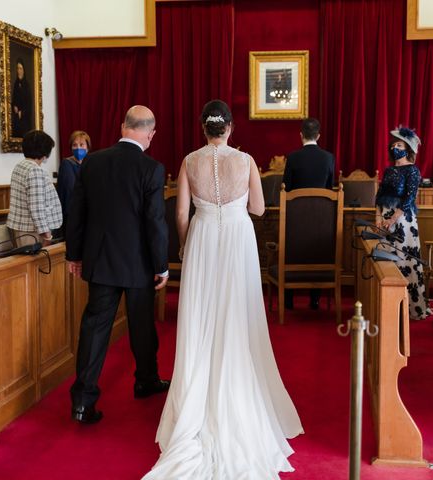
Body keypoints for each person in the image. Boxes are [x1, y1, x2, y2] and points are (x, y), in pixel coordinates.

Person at [142, 100, 303, 479]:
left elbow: (180, 213)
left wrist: (185, 244)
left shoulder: (189, 161)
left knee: (200, 317)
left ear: (204, 128)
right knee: (237, 313)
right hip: (237, 239)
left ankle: (195, 401)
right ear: (230, 128)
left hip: (201, 241)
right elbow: (260, 210)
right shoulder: (245, 162)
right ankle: (239, 394)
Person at [66, 106, 169, 424]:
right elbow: (154, 221)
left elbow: (76, 212)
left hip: (100, 260)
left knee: (94, 328)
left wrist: (74, 255)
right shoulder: (151, 168)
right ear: (150, 134)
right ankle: (146, 381)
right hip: (138, 264)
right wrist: (161, 264)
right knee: (141, 326)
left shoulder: (91, 162)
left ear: (123, 126)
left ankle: (82, 401)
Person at [375, 126, 430, 320]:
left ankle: (410, 308)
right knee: (388, 261)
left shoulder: (412, 171)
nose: (395, 148)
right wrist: (380, 217)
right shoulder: (389, 170)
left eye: (399, 145)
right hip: (385, 218)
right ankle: (389, 308)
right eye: (393, 145)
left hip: (403, 220)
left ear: (408, 149)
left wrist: (392, 219)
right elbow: (380, 195)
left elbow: (409, 199)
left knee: (404, 259)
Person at [283, 117, 335, 309]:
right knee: (318, 253)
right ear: (318, 136)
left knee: (290, 251)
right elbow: (329, 190)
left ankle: (288, 300)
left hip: (295, 221)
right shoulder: (329, 158)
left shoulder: (293, 158)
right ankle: (315, 300)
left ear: (300, 135)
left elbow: (286, 189)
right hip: (322, 220)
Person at [6, 130, 62, 247]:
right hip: (33, 232)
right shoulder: (35, 170)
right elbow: (37, 208)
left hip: (22, 228)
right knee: (37, 265)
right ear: (45, 151)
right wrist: (47, 236)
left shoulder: (20, 166)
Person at [56, 130, 91, 231]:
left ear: (87, 148)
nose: (78, 148)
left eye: (81, 144)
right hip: (72, 213)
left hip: (87, 212)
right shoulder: (67, 164)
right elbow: (69, 190)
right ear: (71, 148)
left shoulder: (90, 163)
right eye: (75, 145)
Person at [11, 58, 31, 138]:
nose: (18, 71)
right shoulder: (16, 83)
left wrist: (22, 112)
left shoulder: (26, 85)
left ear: (23, 70)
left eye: (20, 68)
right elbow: (14, 99)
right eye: (17, 68)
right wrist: (14, 106)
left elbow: (29, 104)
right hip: (16, 117)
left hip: (25, 119)